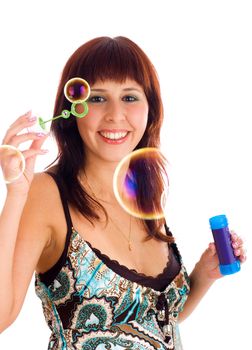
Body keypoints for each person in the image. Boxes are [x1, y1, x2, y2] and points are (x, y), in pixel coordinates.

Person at [0, 36, 246, 350]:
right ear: (72, 110)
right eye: (98, 98)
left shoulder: (142, 192)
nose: (116, 114)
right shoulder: (45, 193)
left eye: (129, 97)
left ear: (150, 109)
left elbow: (153, 319)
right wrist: (16, 196)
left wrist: (204, 273)